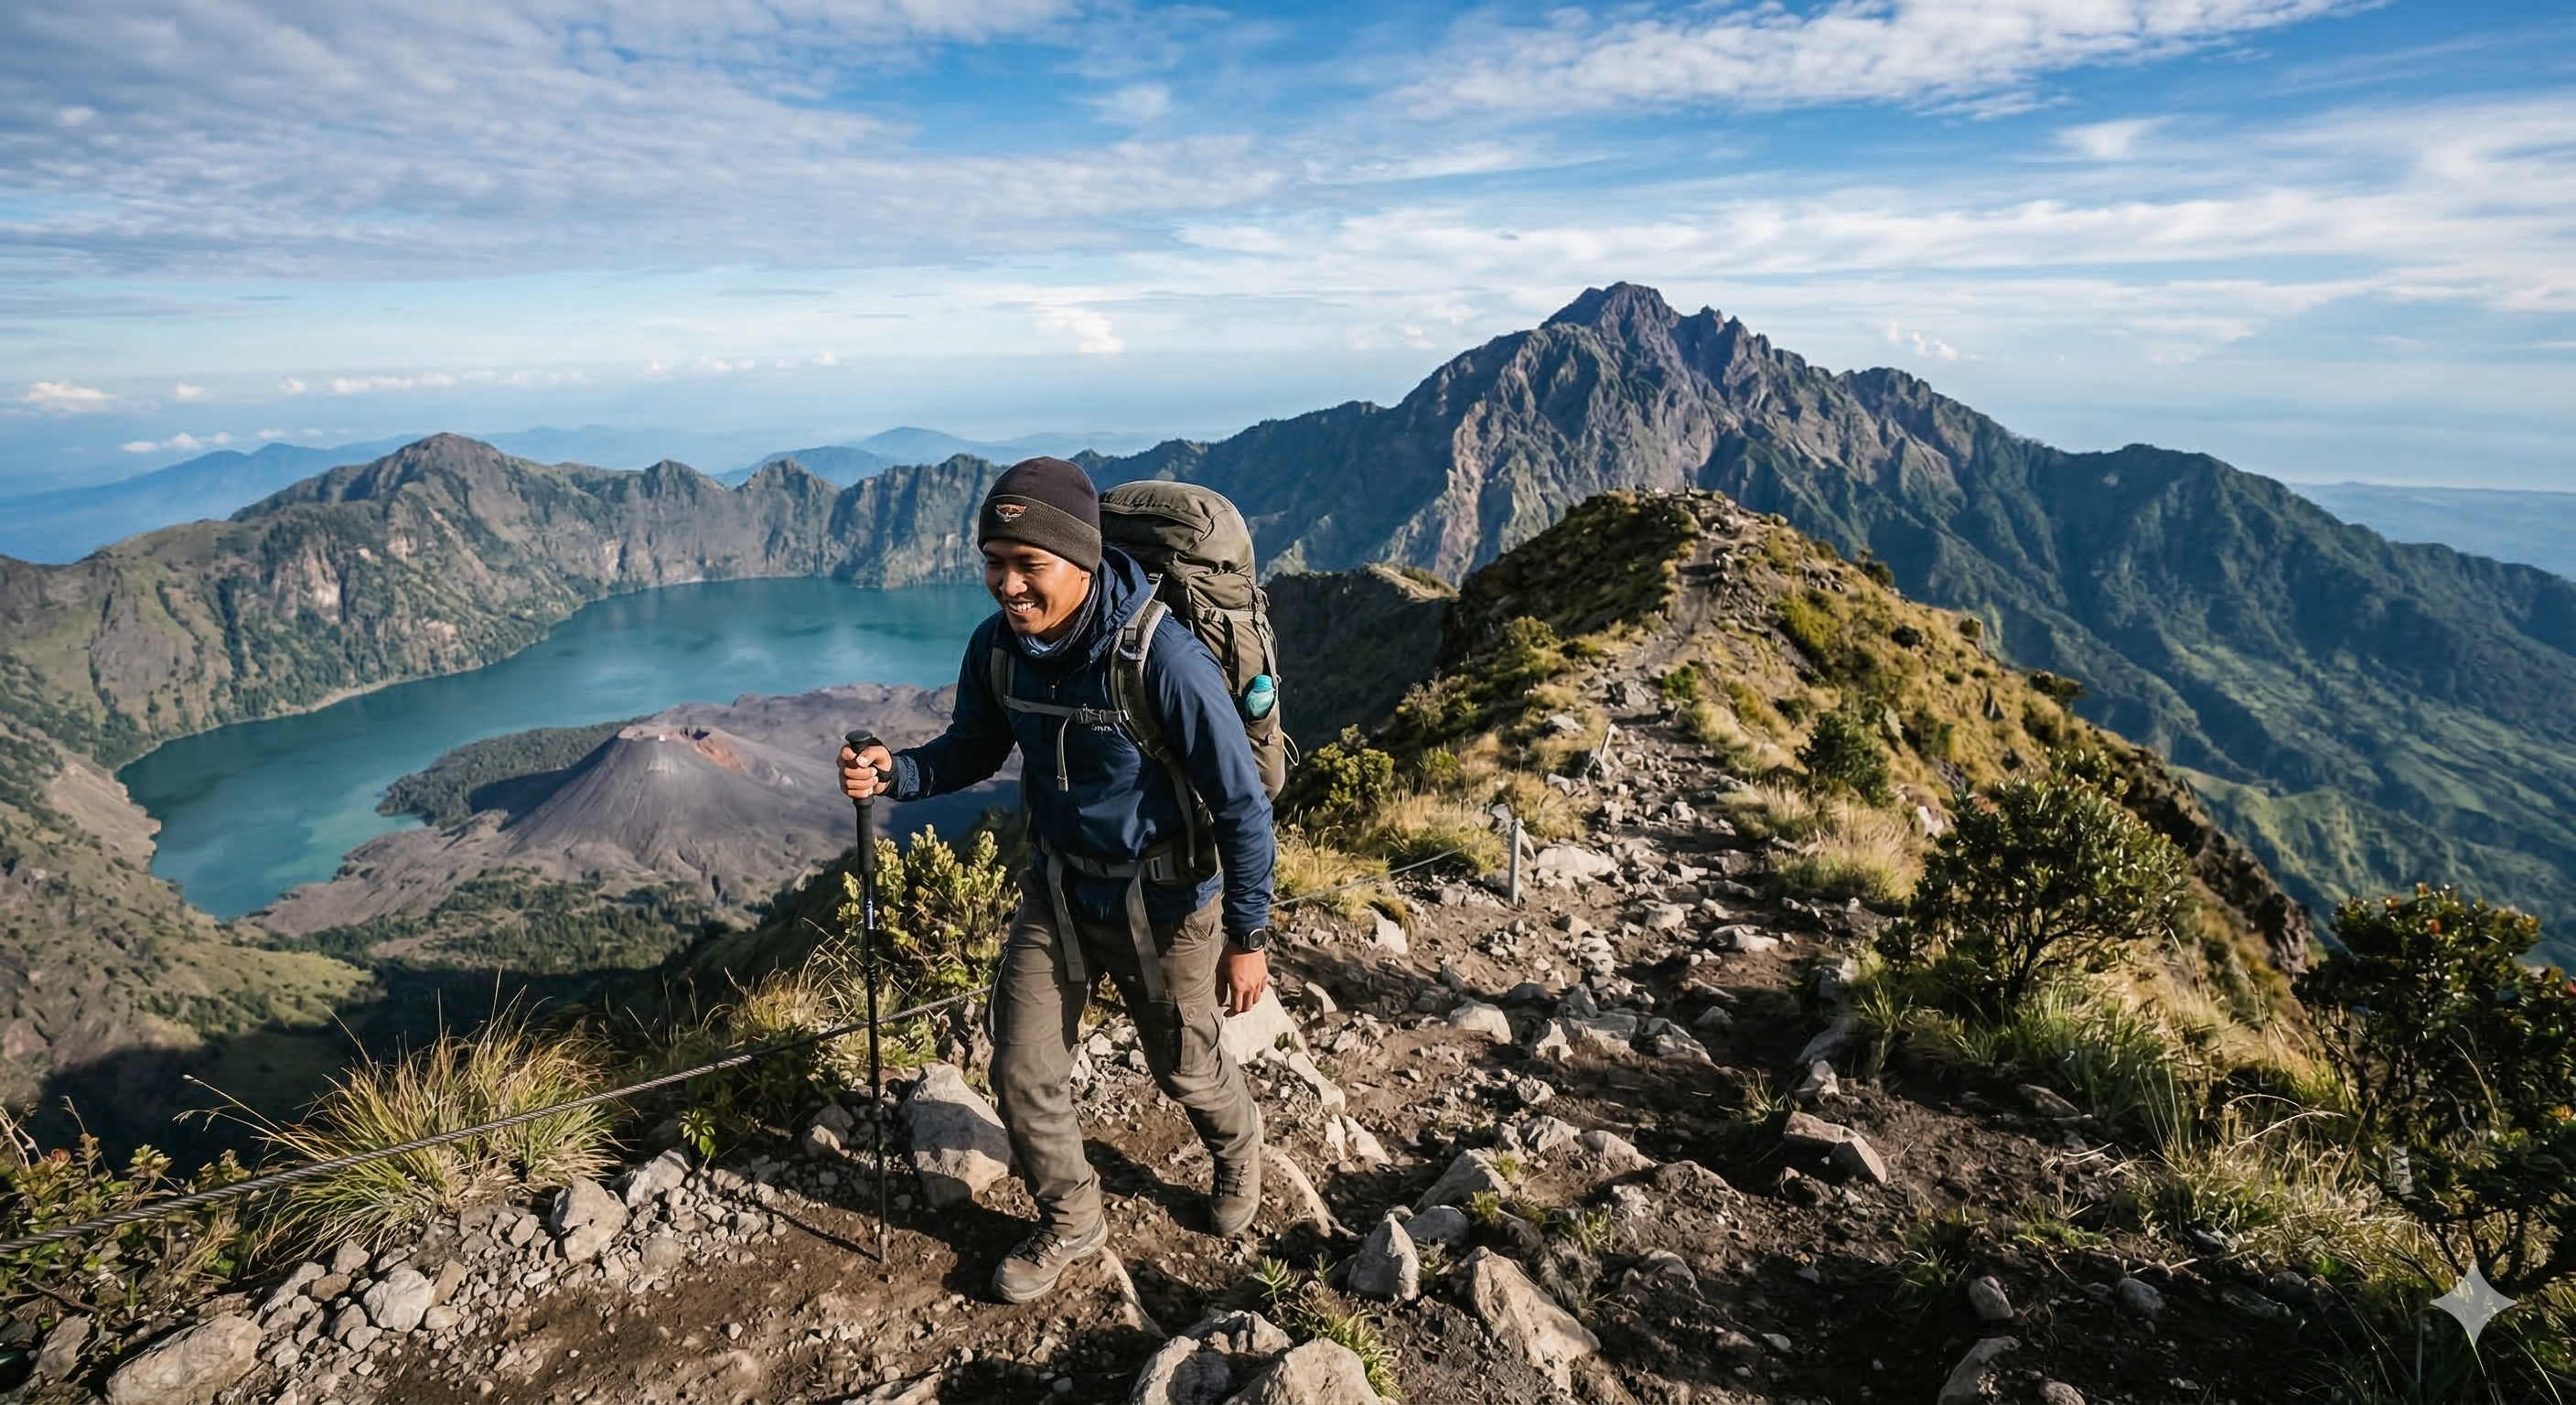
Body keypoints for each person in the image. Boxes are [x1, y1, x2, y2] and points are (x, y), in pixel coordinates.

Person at [838, 456, 1275, 1305]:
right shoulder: (999, 650)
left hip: (1170, 904)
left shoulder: (1164, 660)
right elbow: (973, 747)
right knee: (1020, 1066)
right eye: (993, 562)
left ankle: (1237, 1149)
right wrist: (898, 775)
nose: (1005, 584)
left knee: (1185, 1067)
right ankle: (1073, 1220)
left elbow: (1242, 805)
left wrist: (1247, 936)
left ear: (1078, 559)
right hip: (1062, 892)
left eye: (1026, 565)